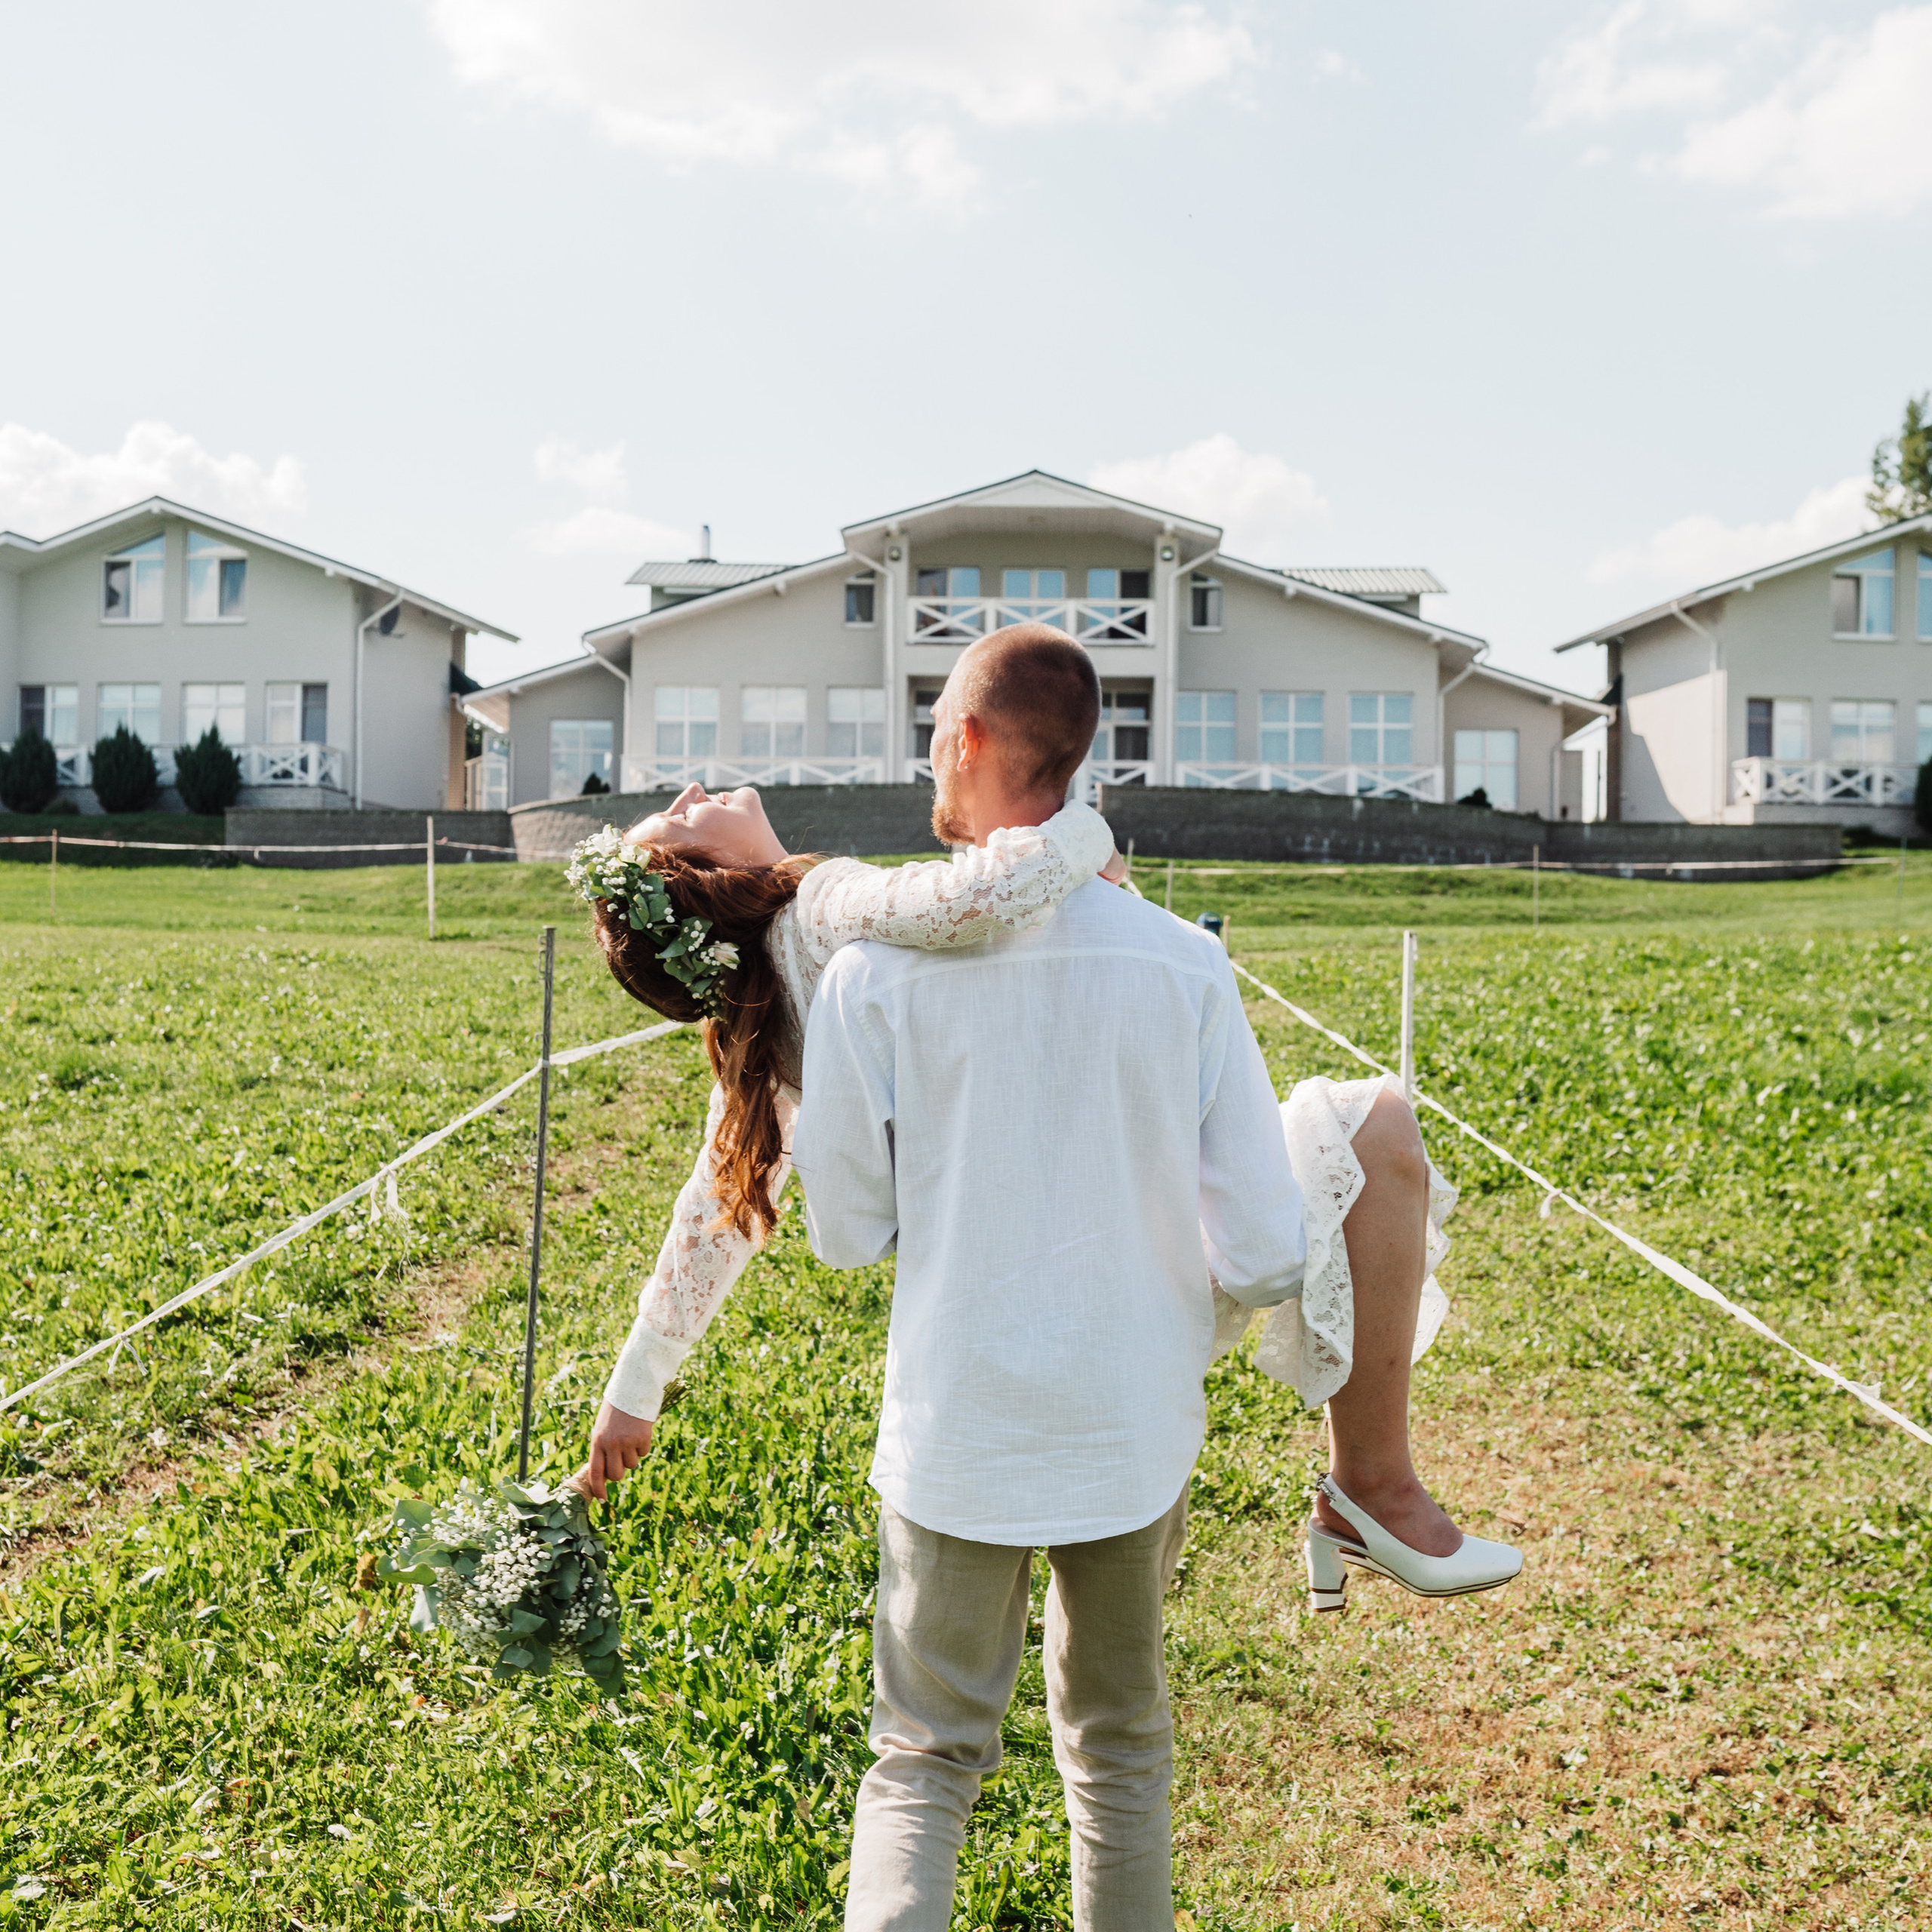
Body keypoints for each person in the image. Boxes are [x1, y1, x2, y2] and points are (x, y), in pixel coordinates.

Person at [568, 647, 1519, 1608]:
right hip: (1132, 1244)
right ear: (705, 877)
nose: (693, 789)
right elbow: (980, 895)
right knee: (1368, 1121)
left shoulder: (776, 1002)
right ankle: (1371, 1482)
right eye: (679, 816)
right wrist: (1076, 839)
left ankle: (1367, 1492)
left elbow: (712, 1211)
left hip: (1017, 1269)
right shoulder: (825, 907)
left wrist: (634, 1390)